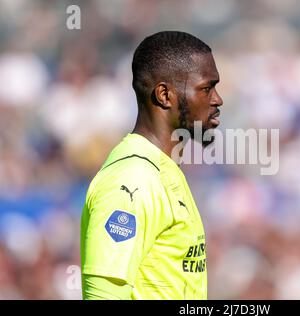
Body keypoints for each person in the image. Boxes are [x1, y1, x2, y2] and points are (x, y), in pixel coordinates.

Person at [80, 31, 223, 299]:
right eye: (206, 88)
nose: (217, 100)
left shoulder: (163, 170)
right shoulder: (133, 179)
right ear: (164, 95)